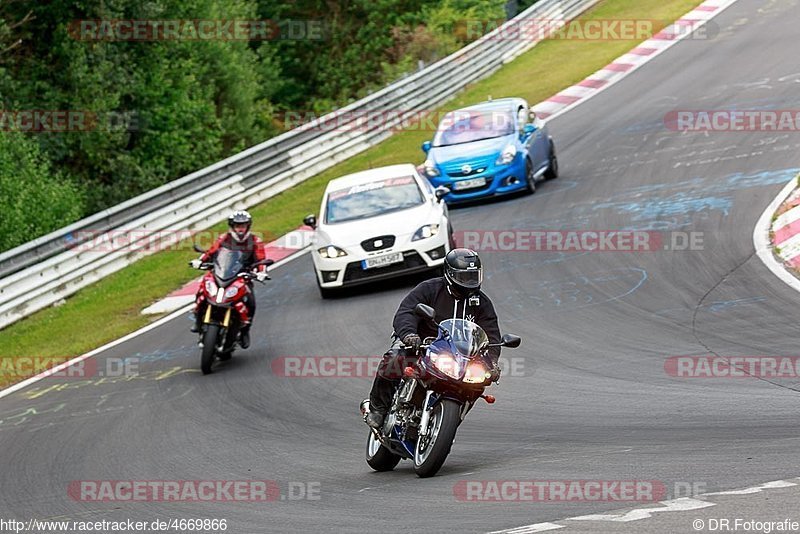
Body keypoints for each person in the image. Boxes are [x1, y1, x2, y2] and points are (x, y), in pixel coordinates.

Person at [366, 248, 502, 429]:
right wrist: (409, 335)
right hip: (421, 346)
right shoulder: (429, 289)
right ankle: (379, 408)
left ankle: (449, 422)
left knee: (478, 382)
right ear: (449, 274)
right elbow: (406, 311)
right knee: (394, 359)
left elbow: (491, 335)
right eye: (463, 277)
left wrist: (491, 362)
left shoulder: (482, 303)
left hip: (461, 357)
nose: (469, 282)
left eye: (472, 276)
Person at [189, 210, 269, 349]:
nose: (240, 229)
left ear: (248, 226)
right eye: (237, 225)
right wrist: (199, 261)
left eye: (243, 225)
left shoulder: (255, 241)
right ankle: (197, 319)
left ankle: (245, 331)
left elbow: (261, 260)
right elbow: (210, 253)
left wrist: (261, 272)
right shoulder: (223, 238)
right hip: (221, 273)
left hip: (242, 277)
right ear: (232, 226)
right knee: (203, 289)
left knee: (251, 303)